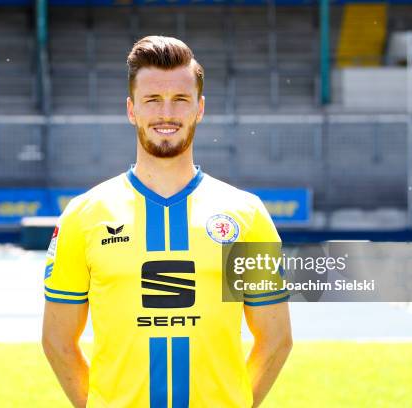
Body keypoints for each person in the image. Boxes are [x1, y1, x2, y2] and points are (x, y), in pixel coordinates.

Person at [42, 35, 292, 408]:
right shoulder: (84, 215)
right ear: (132, 110)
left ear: (200, 108)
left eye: (180, 100)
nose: (166, 114)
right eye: (152, 100)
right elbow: (57, 342)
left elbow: (276, 339)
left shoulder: (247, 214)